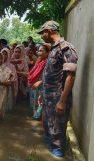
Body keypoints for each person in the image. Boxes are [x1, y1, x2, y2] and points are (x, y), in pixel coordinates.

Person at [38, 20, 78, 157]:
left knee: (58, 126)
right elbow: (51, 72)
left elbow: (70, 77)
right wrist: (42, 90)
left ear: (48, 31)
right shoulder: (54, 48)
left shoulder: (66, 48)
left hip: (57, 97)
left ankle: (58, 149)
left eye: (42, 33)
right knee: (49, 124)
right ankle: (51, 143)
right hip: (47, 96)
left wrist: (62, 101)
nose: (41, 36)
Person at [27, 43, 50, 120]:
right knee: (37, 106)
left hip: (44, 88)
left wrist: (41, 82)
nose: (38, 52)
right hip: (37, 88)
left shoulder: (48, 63)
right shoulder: (39, 61)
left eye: (41, 51)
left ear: (47, 52)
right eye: (38, 51)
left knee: (41, 107)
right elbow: (33, 74)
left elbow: (50, 76)